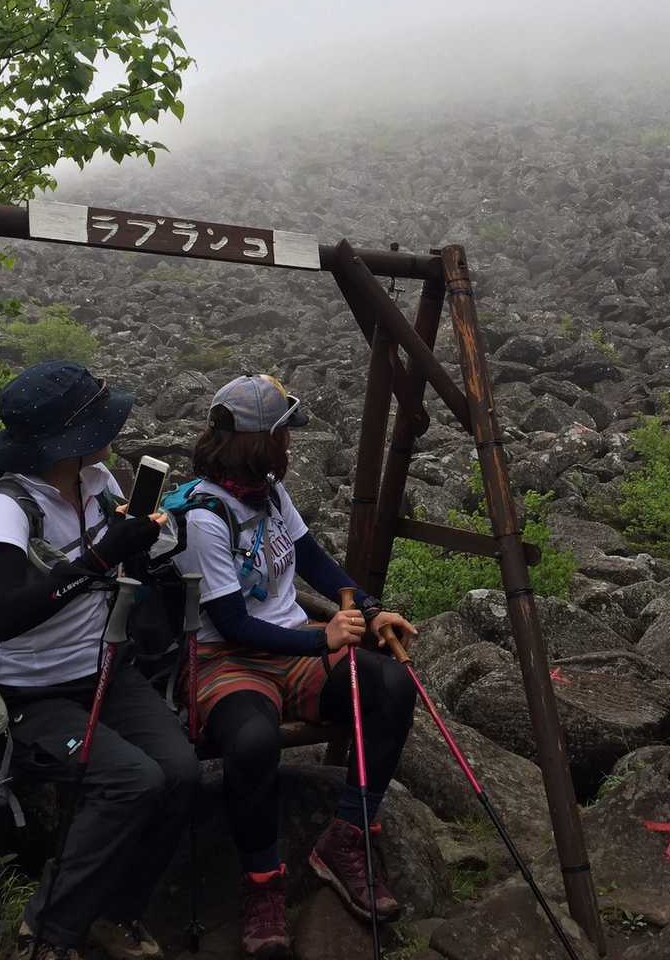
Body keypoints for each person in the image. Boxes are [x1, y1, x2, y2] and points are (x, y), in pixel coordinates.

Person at [171, 374, 418, 959]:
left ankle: (347, 838)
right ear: (261, 441)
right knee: (253, 740)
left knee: (391, 684)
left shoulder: (269, 492)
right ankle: (262, 884)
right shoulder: (204, 517)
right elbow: (232, 622)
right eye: (284, 434)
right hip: (227, 658)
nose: (290, 443)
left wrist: (371, 608)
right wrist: (323, 641)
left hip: (293, 645)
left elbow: (312, 558)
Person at [0, 360, 199, 960]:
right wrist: (101, 556)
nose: (113, 430)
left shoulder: (98, 481)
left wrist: (143, 542)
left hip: (104, 673)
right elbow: (5, 614)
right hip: (35, 692)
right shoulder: (7, 507)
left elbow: (124, 561)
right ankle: (48, 931)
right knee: (131, 780)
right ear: (63, 440)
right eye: (100, 422)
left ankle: (117, 911)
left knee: (181, 771)